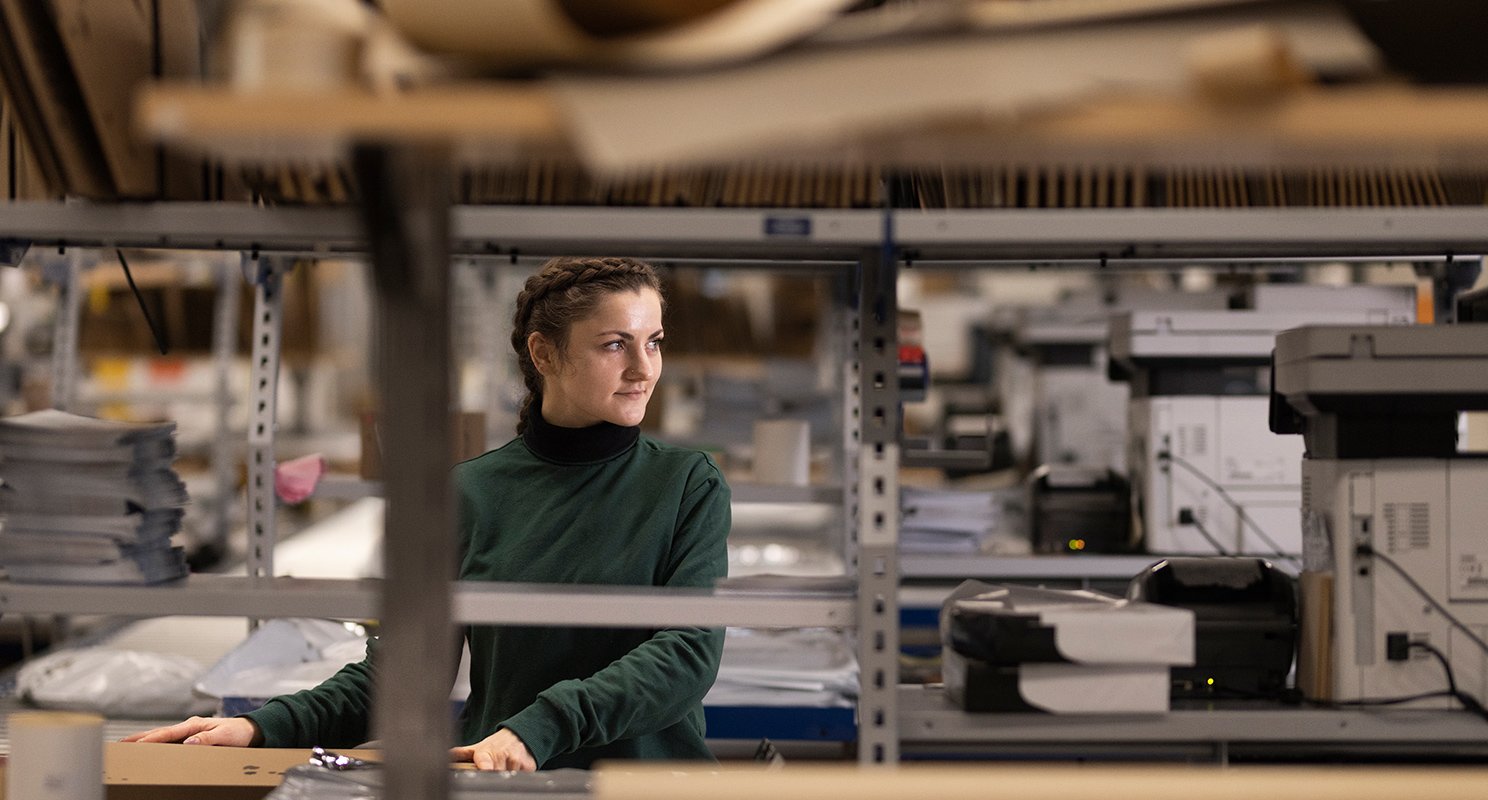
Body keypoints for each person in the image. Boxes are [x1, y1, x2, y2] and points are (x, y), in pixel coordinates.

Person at [125, 256, 731, 771]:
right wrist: (262, 728)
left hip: (649, 787)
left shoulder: (685, 485)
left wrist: (538, 727)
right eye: (614, 344)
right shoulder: (469, 494)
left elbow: (687, 655)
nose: (644, 368)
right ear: (544, 354)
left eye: (652, 342)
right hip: (508, 786)